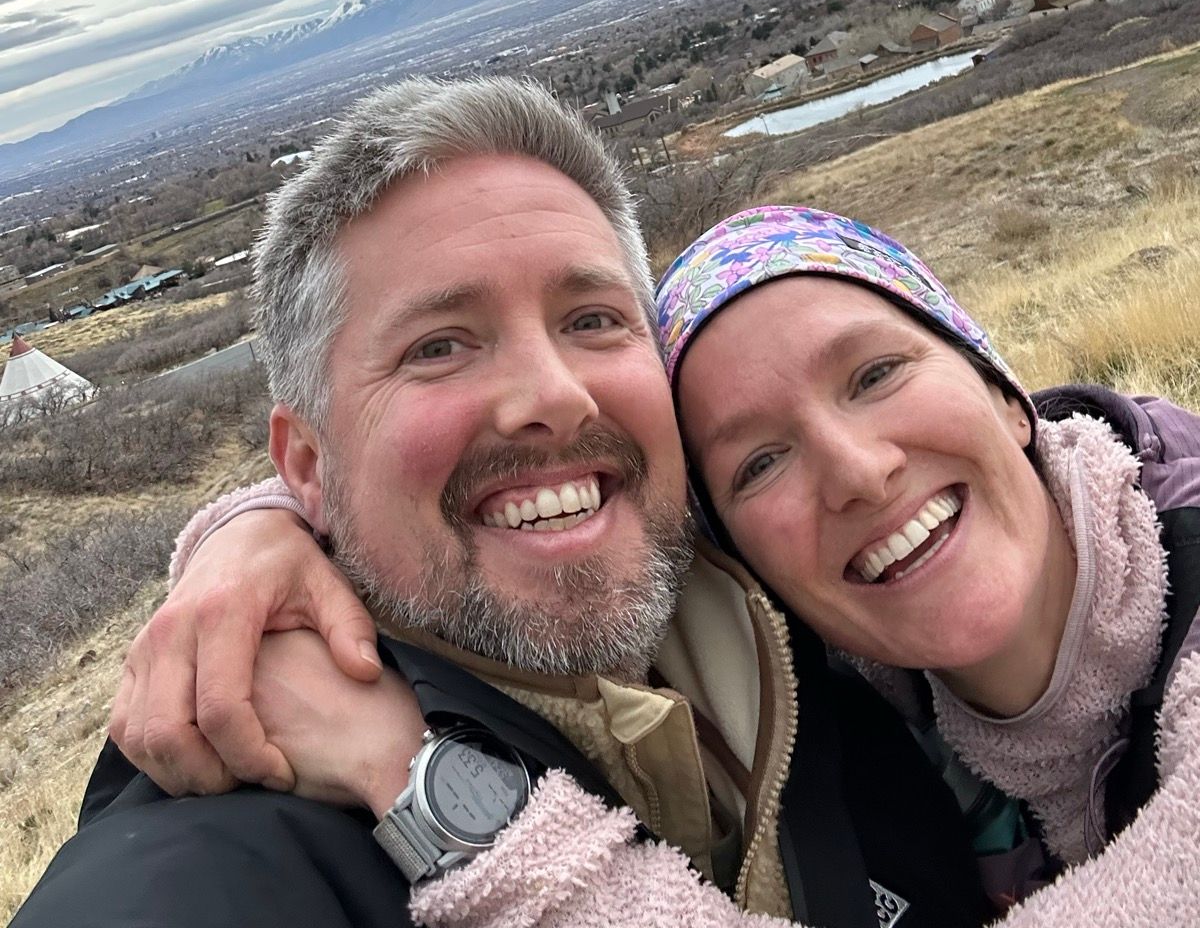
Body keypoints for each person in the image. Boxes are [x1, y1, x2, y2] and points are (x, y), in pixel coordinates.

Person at [12, 83, 990, 928]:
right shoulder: (219, 862)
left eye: (593, 319)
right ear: (309, 465)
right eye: (440, 345)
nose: (554, 395)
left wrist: (250, 529)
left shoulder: (831, 603)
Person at [107, 198, 1200, 928]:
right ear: (728, 537)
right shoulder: (822, 662)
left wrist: (427, 785)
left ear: (1003, 389)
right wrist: (256, 537)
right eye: (759, 461)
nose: (858, 473)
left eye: (874, 375)